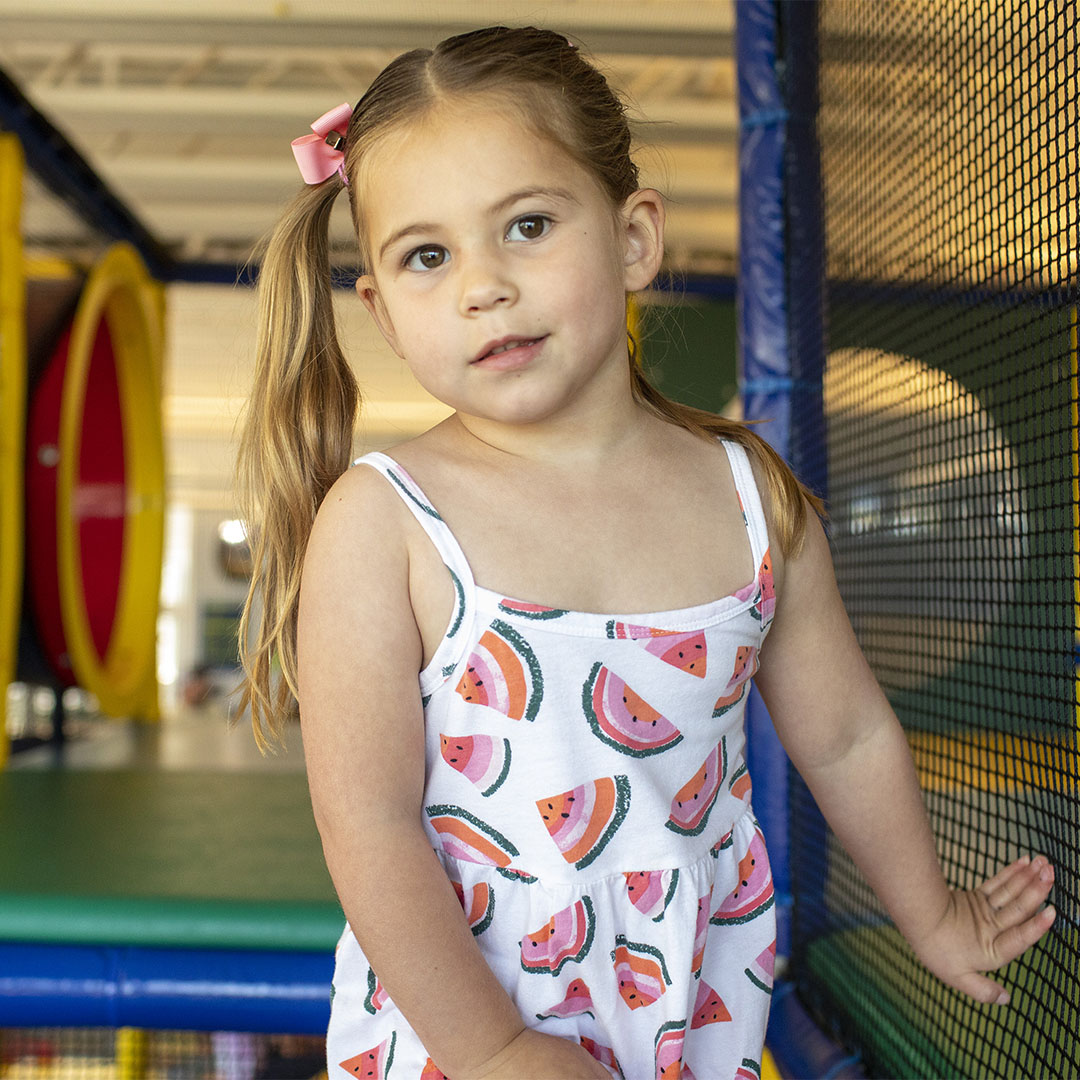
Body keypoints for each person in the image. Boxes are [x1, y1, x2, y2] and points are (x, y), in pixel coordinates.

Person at [236, 26, 1056, 1080]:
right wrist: (494, 1050)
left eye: (527, 225)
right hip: (459, 1039)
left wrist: (932, 916)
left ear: (633, 239)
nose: (483, 285)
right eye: (428, 256)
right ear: (383, 311)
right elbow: (369, 825)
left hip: (693, 1013)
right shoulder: (384, 519)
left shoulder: (747, 494)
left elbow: (846, 735)